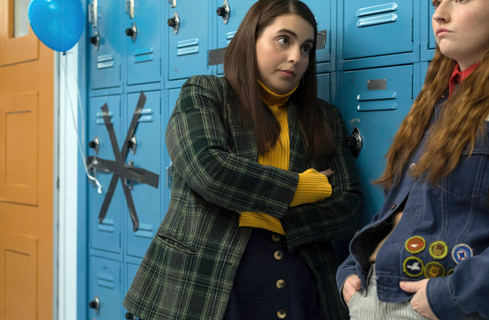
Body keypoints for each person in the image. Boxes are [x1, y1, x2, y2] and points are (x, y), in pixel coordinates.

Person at [337, 0, 489, 319]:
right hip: (372, 298)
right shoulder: (435, 102)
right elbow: (400, 210)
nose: (439, 14)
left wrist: (452, 295)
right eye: (437, 2)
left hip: (438, 308)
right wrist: (350, 269)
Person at [123, 1, 362, 319]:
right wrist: (298, 189)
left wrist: (279, 220)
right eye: (283, 40)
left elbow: (349, 204)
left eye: (306, 48)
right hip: (207, 280)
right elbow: (209, 170)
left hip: (302, 278)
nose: (296, 57)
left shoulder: (324, 117)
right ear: (251, 40)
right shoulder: (205, 93)